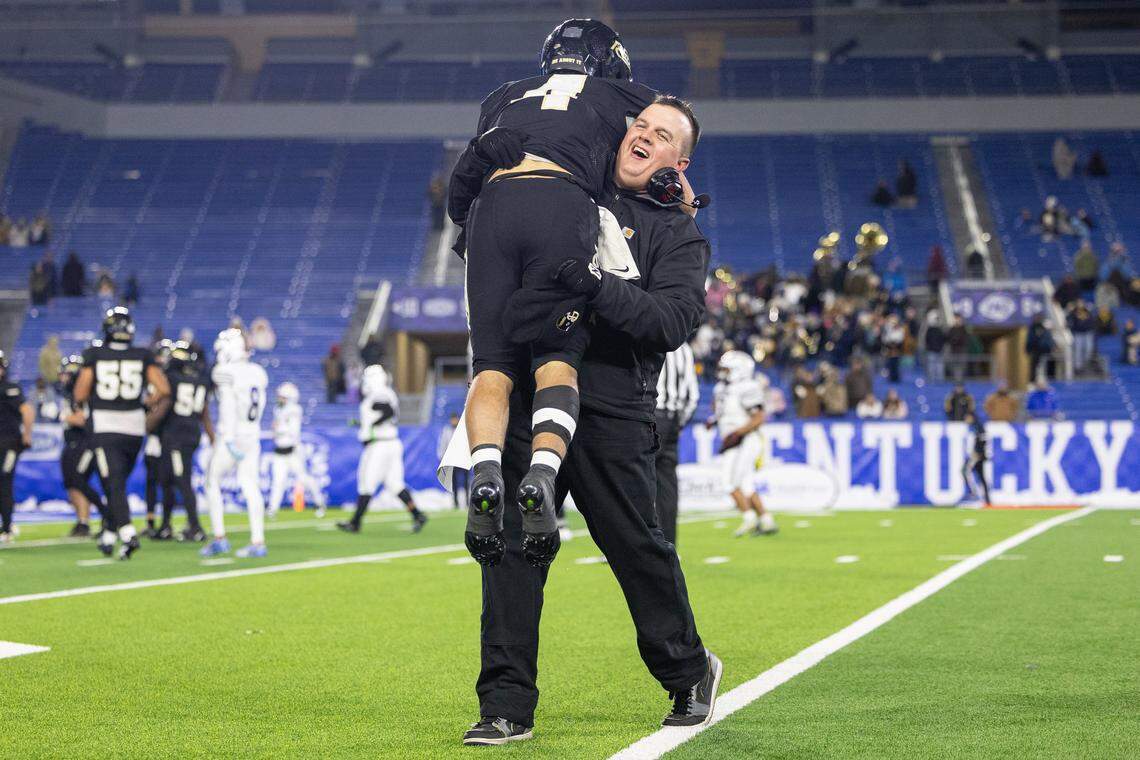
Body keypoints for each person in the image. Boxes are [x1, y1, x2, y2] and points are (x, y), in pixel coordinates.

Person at [448, 98, 720, 746]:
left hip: (611, 405)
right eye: (639, 125)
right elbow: (476, 236)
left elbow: (671, 322)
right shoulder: (566, 185)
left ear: (678, 163)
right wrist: (480, 166)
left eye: (661, 135)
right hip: (533, 395)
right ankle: (505, 704)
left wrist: (596, 285)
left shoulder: (676, 232)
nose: (642, 135)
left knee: (634, 545)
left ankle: (688, 670)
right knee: (511, 545)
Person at [447, 18, 655, 570]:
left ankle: (485, 469)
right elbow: (665, 140)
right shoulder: (623, 96)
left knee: (491, 366)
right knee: (556, 359)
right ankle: (541, 473)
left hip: (491, 210)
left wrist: (480, 160)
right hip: (560, 202)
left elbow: (457, 203)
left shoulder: (503, 97)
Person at [73, 307, 171, 559]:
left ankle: (127, 533)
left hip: (106, 426)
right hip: (134, 428)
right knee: (116, 483)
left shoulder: (95, 354)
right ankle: (108, 534)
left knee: (113, 483)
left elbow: (80, 393)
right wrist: (145, 403)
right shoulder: (141, 354)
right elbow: (163, 389)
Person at [201, 328, 269, 559]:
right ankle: (258, 541)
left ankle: (220, 538)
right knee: (250, 485)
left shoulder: (225, 372)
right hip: (252, 433)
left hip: (233, 434)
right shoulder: (257, 372)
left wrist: (229, 439)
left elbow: (228, 406)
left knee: (212, 482)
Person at [338, 364, 426, 534]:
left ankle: (355, 522)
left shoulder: (379, 393)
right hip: (390, 442)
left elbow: (387, 411)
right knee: (395, 484)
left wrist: (372, 423)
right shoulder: (385, 392)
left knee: (366, 483)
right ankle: (417, 514)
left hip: (379, 445)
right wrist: (365, 423)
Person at [711, 351, 777, 538]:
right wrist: (713, 420)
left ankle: (749, 518)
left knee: (731, 482)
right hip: (732, 441)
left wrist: (737, 433)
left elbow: (759, 417)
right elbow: (723, 413)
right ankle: (766, 520)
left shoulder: (748, 387)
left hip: (747, 439)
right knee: (745, 483)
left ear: (738, 370)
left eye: (727, 369)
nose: (722, 372)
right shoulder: (721, 388)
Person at [157, 341, 213, 542]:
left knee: (181, 480)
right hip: (190, 432)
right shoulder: (201, 379)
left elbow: (163, 399)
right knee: (167, 480)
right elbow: (204, 412)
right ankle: (165, 525)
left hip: (177, 436)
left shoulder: (172, 378)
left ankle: (195, 527)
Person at [654, 342, 699, 545]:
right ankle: (668, 545)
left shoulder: (651, 337)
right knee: (667, 485)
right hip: (673, 421)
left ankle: (629, 545)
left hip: (651, 415)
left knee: (636, 480)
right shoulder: (685, 348)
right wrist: (678, 423)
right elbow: (693, 397)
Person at [57, 354, 105, 538]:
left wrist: (64, 416)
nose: (63, 378)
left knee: (78, 479)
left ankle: (106, 512)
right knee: (72, 482)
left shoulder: (83, 394)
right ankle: (83, 522)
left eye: (66, 374)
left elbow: (83, 419)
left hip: (85, 443)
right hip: (72, 443)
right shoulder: (70, 394)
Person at [268, 382, 326, 518]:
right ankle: (272, 508)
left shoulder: (294, 410)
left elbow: (293, 431)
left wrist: (278, 428)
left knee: (303, 478)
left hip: (293, 451)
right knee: (278, 481)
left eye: (283, 397)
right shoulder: (278, 409)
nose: (279, 399)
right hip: (279, 451)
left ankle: (319, 502)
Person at [0, 351, 34, 543]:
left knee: (4, 482)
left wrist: (26, 435)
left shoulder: (10, 388)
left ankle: (7, 527)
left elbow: (27, 410)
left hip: (8, 444)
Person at [142, 339, 174, 538]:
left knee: (168, 482)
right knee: (152, 481)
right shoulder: (150, 379)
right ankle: (151, 521)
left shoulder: (172, 378)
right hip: (154, 438)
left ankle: (167, 523)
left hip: (168, 436)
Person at [961, 412, 991, 505]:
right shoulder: (974, 426)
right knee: (981, 476)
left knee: (965, 471)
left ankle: (973, 494)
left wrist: (979, 453)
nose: (966, 420)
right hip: (977, 455)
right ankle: (986, 499)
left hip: (976, 456)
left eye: (967, 417)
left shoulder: (977, 427)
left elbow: (983, 441)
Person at [438, 413, 466, 510]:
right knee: (454, 482)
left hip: (463, 458)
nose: (454, 421)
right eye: (452, 419)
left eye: (455, 419)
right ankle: (455, 502)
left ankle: (467, 502)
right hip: (453, 459)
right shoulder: (447, 430)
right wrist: (442, 457)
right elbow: (443, 444)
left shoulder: (463, 429)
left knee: (466, 481)